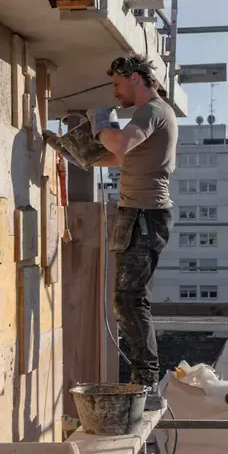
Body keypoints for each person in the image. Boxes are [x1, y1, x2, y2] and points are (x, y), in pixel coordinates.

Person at [88, 54, 178, 410]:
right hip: (139, 214)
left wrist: (100, 124)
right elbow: (118, 157)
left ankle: (146, 383)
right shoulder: (151, 115)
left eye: (118, 85)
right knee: (126, 300)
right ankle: (145, 380)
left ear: (137, 78)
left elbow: (120, 145)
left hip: (144, 215)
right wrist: (79, 153)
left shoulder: (151, 111)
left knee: (129, 299)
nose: (116, 93)